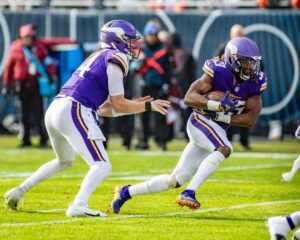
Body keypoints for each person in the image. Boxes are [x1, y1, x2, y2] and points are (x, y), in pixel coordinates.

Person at [4, 20, 170, 217]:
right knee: (102, 165)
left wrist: (136, 105)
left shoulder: (98, 56)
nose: (133, 44)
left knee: (64, 161)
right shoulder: (117, 57)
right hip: (74, 109)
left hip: (57, 107)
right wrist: (146, 105)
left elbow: (105, 109)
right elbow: (118, 104)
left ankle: (18, 191)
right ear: (116, 40)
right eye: (129, 40)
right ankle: (79, 204)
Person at [111, 36, 267, 213]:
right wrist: (217, 106)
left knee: (174, 180)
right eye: (245, 63)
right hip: (200, 121)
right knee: (224, 148)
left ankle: (125, 192)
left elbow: (251, 119)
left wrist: (222, 116)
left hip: (216, 126)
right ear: (232, 59)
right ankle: (190, 192)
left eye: (253, 63)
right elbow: (189, 98)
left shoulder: (256, 82)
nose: (250, 68)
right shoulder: (217, 70)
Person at [2, 23, 57, 147]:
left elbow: (48, 62)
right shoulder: (15, 47)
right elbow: (9, 67)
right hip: (20, 86)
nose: (28, 39)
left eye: (30, 37)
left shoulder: (39, 47)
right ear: (21, 37)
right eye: (26, 37)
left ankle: (43, 139)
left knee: (38, 113)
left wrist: (51, 75)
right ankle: (25, 140)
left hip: (35, 84)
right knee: (23, 114)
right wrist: (6, 85)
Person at [134, 20, 173, 151]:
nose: (152, 37)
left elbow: (168, 69)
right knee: (141, 115)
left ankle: (161, 141)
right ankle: (143, 141)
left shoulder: (164, 50)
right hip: (143, 86)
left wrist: (167, 84)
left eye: (154, 35)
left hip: (159, 86)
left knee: (160, 115)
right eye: (149, 35)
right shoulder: (140, 50)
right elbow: (133, 70)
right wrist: (137, 65)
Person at [215, 24, 251, 150]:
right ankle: (226, 139)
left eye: (240, 34)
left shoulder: (249, 49)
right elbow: (216, 65)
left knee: (245, 112)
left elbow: (258, 65)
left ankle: (244, 141)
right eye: (236, 34)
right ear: (231, 35)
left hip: (244, 87)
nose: (238, 37)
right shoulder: (223, 48)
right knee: (227, 111)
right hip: (228, 87)